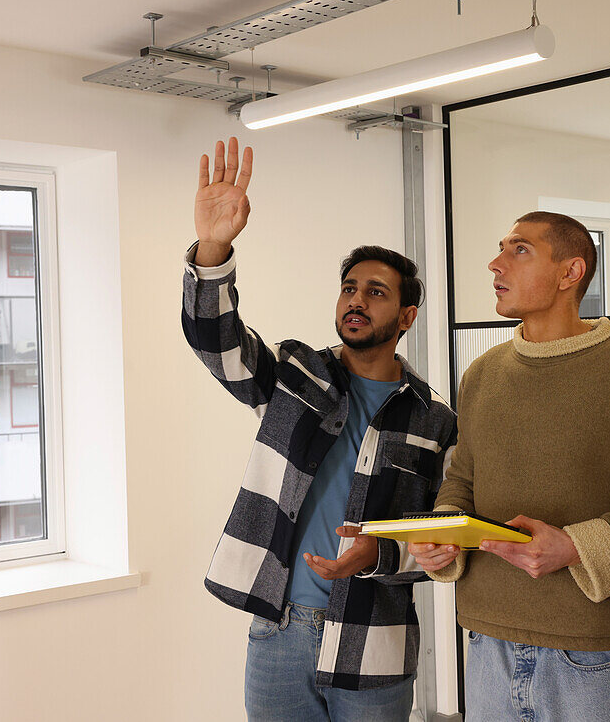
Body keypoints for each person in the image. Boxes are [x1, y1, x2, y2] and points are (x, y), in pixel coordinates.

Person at [182, 137, 457, 721]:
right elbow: (217, 344)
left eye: (376, 293)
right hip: (279, 630)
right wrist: (213, 248)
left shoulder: (434, 419)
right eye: (350, 288)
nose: (357, 301)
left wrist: (379, 553)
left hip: (374, 642)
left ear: (407, 317)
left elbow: (442, 539)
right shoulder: (296, 374)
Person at [409, 211, 610, 722]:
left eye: (519, 250)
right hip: (485, 642)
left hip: (590, 653)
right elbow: (463, 479)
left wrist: (574, 546)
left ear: (571, 273)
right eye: (502, 248)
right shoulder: (482, 374)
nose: (495, 263)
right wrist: (444, 532)